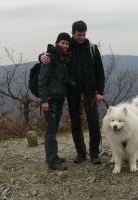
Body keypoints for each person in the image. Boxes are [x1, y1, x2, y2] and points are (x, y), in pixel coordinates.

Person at [40, 21, 105, 165]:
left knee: (93, 122)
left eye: (83, 34)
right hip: (72, 93)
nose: (81, 37)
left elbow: (100, 71)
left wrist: (100, 91)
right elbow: (53, 53)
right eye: (78, 34)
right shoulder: (68, 48)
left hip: (90, 92)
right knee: (76, 123)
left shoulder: (92, 49)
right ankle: (81, 153)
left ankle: (94, 154)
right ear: (73, 33)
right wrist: (41, 56)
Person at [38, 32, 71, 170]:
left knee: (53, 128)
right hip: (50, 99)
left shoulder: (62, 58)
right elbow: (42, 80)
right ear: (57, 42)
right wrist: (44, 100)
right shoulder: (50, 57)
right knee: (51, 131)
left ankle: (52, 156)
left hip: (58, 98)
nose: (64, 45)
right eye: (62, 42)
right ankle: (52, 162)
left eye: (67, 43)